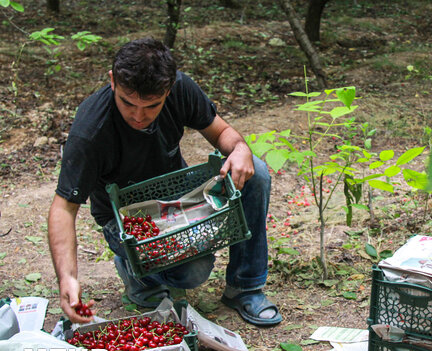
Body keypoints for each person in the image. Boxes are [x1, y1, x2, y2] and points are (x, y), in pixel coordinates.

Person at [47, 38, 281, 327]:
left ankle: (244, 287)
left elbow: (223, 133)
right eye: (127, 102)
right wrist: (68, 278)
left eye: (151, 106)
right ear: (112, 82)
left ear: (168, 90)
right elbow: (63, 208)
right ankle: (136, 274)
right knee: (194, 271)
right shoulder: (91, 130)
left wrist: (240, 149)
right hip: (124, 219)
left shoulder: (180, 88)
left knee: (254, 170)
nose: (137, 115)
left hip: (177, 195)